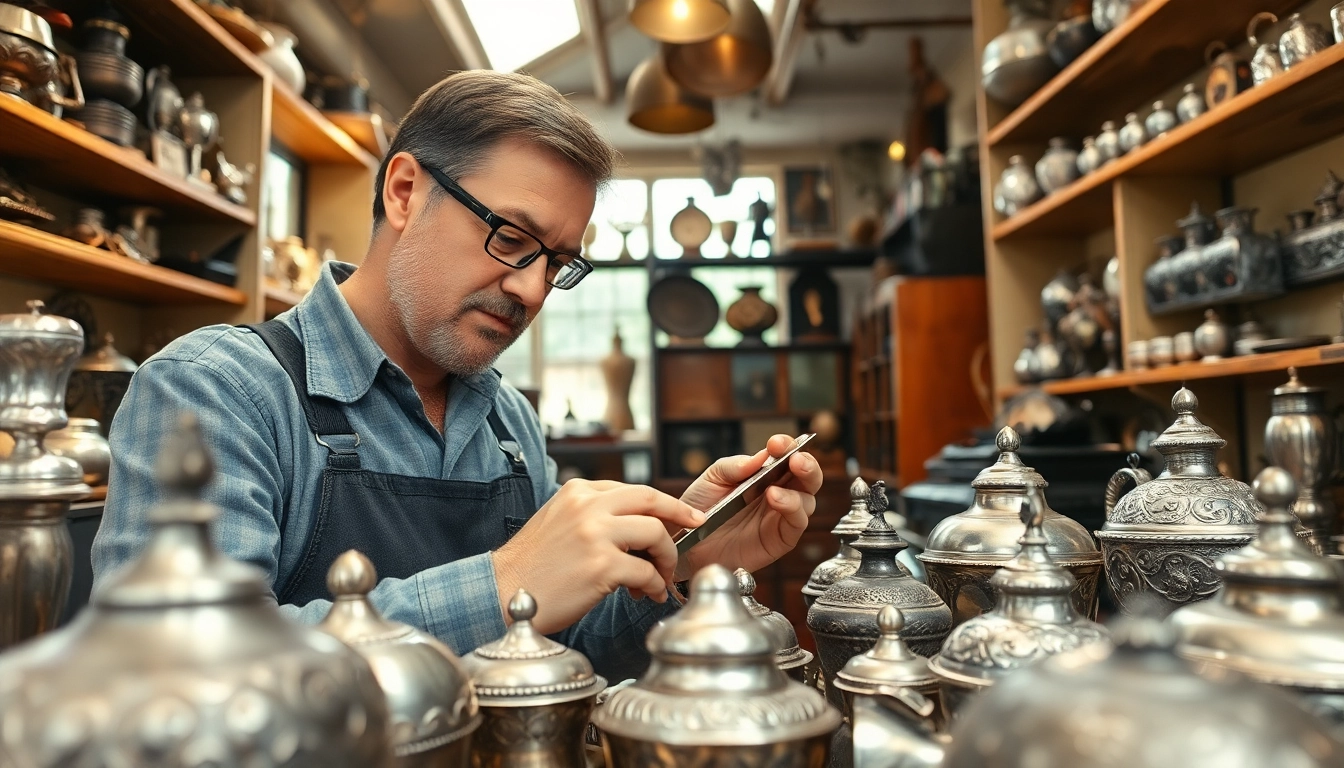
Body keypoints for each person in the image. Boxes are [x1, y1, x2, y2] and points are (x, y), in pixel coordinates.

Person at [92, 70, 822, 681]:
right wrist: (501, 584)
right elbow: (173, 676)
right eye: (511, 238)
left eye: (558, 264)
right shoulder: (214, 392)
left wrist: (686, 556)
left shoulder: (508, 424)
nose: (532, 289)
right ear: (405, 191)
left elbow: (559, 653)